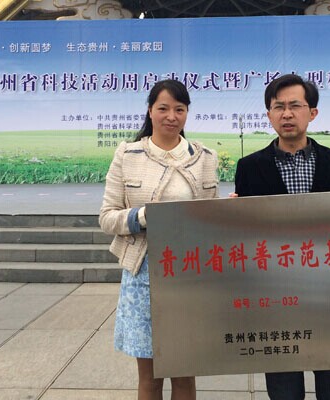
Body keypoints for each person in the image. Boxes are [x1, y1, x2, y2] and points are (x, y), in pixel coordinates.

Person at [234, 73, 330, 400]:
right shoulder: (249, 168)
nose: (287, 114)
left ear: (312, 112)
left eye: (295, 106)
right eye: (278, 107)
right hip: (275, 293)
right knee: (284, 389)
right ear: (269, 115)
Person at [99, 79, 219, 400]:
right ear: (150, 110)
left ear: (187, 113)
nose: (171, 116)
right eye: (163, 108)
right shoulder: (128, 155)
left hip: (191, 274)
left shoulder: (205, 157)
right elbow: (107, 217)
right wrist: (142, 217)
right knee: (150, 377)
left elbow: (212, 217)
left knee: (184, 373)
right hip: (144, 274)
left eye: (179, 109)